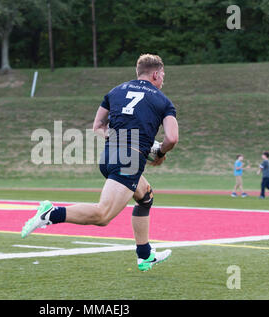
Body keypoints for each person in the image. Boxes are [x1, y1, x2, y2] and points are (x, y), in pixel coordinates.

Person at [21, 54, 179, 272]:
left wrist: (119, 139)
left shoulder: (115, 92)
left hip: (108, 156)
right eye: (162, 75)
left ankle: (145, 255)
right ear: (155, 74)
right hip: (129, 160)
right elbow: (172, 139)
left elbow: (98, 126)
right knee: (103, 215)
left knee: (145, 197)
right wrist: (159, 152)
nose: (163, 80)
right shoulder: (162, 101)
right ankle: (50, 213)